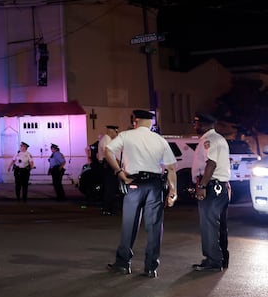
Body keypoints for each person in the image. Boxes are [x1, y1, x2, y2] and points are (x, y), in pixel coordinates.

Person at [104, 109, 178, 278]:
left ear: (134, 121)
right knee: (154, 227)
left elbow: (108, 151)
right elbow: (171, 167)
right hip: (155, 185)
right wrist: (173, 191)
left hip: (134, 183)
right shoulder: (160, 140)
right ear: (150, 123)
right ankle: (151, 267)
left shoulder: (126, 136)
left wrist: (118, 172)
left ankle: (123, 264)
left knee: (129, 225)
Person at [191, 112, 231, 271]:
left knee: (209, 224)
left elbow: (211, 163)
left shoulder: (209, 140)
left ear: (203, 124)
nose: (194, 126)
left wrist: (202, 186)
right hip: (220, 185)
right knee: (220, 225)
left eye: (196, 123)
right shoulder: (219, 139)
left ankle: (213, 261)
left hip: (211, 186)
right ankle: (221, 259)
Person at [99, 125, 121, 215]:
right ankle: (107, 209)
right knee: (110, 188)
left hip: (107, 165)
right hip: (108, 165)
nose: (116, 135)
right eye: (116, 132)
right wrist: (117, 165)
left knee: (109, 187)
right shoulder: (107, 140)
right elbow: (109, 155)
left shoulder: (105, 139)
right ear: (112, 131)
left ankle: (107, 207)